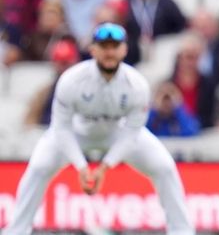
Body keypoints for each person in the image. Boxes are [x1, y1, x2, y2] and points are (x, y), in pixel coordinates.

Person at [3, 23, 193, 235]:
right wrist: (81, 166)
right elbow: (61, 129)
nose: (109, 52)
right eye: (104, 46)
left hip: (117, 133)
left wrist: (105, 167)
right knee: (39, 167)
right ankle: (16, 231)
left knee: (164, 167)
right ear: (93, 49)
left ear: (124, 49)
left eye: (115, 46)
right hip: (77, 132)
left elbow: (132, 133)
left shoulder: (137, 85)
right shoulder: (72, 80)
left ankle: (181, 230)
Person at [23, 39, 81, 126]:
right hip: (48, 132)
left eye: (67, 63)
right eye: (61, 63)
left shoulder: (84, 90)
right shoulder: (45, 92)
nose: (64, 68)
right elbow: (30, 120)